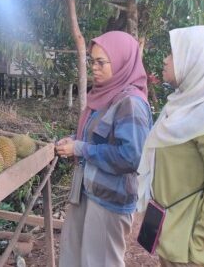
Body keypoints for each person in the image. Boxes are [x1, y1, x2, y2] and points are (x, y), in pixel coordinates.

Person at [56, 31, 153, 267]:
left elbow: (131, 157)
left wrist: (80, 148)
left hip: (111, 199)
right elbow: (97, 137)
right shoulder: (105, 96)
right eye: (92, 61)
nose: (94, 68)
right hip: (90, 190)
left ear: (121, 62)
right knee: (76, 258)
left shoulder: (131, 103)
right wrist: (72, 139)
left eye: (101, 62)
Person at [137, 25, 204, 267]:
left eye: (173, 53)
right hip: (171, 237)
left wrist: (203, 254)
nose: (165, 60)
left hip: (190, 253)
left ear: (199, 59)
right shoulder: (181, 107)